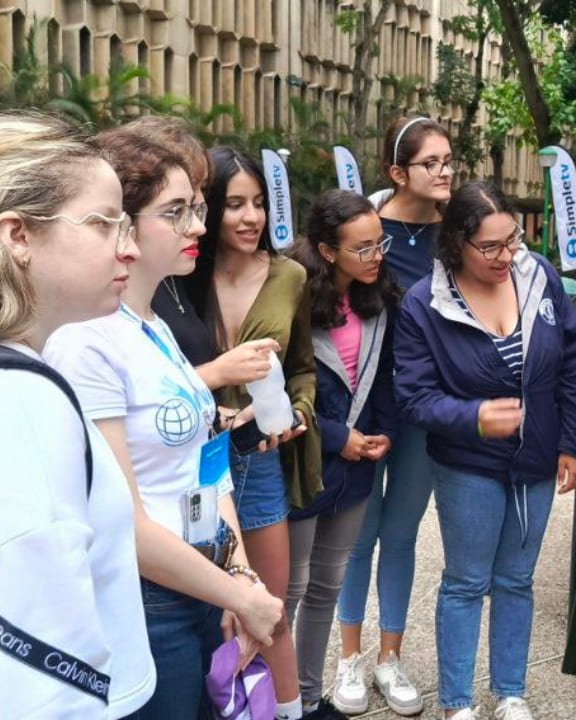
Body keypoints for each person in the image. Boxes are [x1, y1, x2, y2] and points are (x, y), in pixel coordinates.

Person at [43, 126, 283, 717]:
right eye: (176, 212)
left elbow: (207, 464)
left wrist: (239, 575)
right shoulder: (84, 342)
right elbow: (120, 516)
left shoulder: (157, 327)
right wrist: (239, 594)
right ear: (122, 224)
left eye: (195, 209)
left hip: (202, 585)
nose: (198, 227)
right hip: (151, 601)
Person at [395, 181, 576, 720]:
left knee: (516, 580)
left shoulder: (538, 276)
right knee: (465, 582)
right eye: (491, 247)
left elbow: (573, 360)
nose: (506, 256)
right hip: (467, 465)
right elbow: (414, 398)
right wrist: (473, 417)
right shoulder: (424, 304)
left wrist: (573, 442)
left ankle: (511, 693)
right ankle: (458, 703)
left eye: (514, 241)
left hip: (537, 457)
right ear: (456, 244)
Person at [0, 111, 154, 718]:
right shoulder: (26, 401)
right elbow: (41, 667)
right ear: (18, 235)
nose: (131, 246)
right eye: (102, 224)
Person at [186, 146, 316, 720]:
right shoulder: (183, 275)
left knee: (270, 608)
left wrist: (302, 411)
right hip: (195, 461)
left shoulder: (290, 276)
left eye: (259, 204)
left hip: (258, 458)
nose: (251, 217)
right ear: (209, 209)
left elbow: (304, 366)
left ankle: (288, 712)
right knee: (205, 611)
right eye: (234, 204)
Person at [334, 116, 454, 715]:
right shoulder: (369, 228)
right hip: (366, 406)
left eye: (448, 160)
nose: (444, 172)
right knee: (357, 537)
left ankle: (389, 658)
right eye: (431, 162)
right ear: (397, 171)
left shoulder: (457, 233)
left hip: (423, 411)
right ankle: (348, 658)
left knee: (402, 535)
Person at [286, 190, 399, 718]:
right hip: (304, 464)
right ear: (328, 251)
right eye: (364, 248)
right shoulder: (293, 296)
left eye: (381, 244)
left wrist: (382, 434)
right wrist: (337, 438)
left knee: (328, 583)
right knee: (290, 586)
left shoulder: (378, 298)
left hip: (358, 468)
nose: (378, 256)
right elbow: (281, 387)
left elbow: (384, 383)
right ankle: (276, 699)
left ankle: (309, 697)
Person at [143, 116, 282, 399]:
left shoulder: (174, 275)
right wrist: (217, 372)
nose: (199, 204)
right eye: (176, 206)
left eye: (202, 189)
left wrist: (223, 418)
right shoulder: (112, 298)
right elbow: (135, 400)